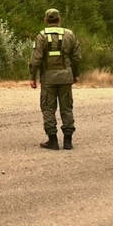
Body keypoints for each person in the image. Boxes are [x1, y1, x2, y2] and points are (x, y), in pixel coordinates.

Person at [30, 8, 81, 150]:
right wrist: (75, 74)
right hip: (66, 77)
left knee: (48, 108)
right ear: (59, 19)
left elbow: (35, 60)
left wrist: (32, 77)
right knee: (66, 108)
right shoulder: (69, 35)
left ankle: (52, 140)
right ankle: (68, 141)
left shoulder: (41, 36)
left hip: (48, 79)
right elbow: (77, 57)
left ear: (46, 20)